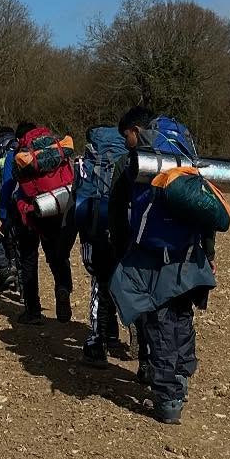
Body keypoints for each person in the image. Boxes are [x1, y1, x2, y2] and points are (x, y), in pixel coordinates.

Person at [102, 105, 219, 425]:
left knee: (160, 323)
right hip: (190, 256)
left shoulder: (136, 163)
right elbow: (205, 207)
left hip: (154, 256)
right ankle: (180, 377)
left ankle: (168, 399)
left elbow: (116, 210)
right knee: (181, 318)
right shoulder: (187, 156)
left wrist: (122, 249)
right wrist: (208, 252)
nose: (125, 142)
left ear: (135, 132)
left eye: (125, 135)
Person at [2, 119, 76, 324]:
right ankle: (63, 288)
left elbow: (8, 187)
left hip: (29, 214)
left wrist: (3, 215)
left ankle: (33, 311)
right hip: (56, 208)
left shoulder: (18, 154)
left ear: (19, 138)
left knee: (28, 260)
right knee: (57, 256)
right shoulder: (56, 147)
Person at [75, 121, 131, 366]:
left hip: (98, 228)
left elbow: (79, 206)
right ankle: (138, 335)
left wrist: (84, 233)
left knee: (100, 283)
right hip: (128, 230)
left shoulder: (87, 162)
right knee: (132, 284)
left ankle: (99, 343)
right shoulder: (131, 158)